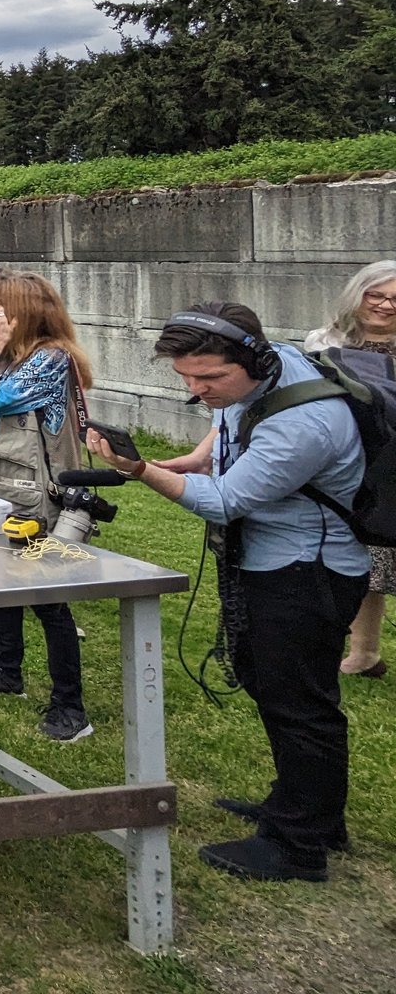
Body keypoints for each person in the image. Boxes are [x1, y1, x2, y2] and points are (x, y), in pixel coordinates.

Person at [88, 302, 368, 882]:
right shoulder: (272, 373)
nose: (197, 391)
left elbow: (223, 500)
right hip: (278, 564)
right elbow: (218, 449)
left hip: (306, 572)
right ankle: (308, 810)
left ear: (254, 358)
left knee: (300, 704)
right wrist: (170, 462)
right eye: (186, 378)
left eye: (210, 378)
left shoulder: (305, 422)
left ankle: (299, 846)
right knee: (274, 685)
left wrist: (142, 472)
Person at [0, 271, 94, 744]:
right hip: (4, 482)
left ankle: (70, 706)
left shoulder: (51, 360)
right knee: (0, 579)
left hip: (36, 493)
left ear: (21, 314)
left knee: (46, 596)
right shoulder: (22, 357)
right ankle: (6, 670)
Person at [306, 260, 396, 678]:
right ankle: (364, 653)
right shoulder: (324, 341)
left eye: (395, 298)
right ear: (356, 294)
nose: (385, 305)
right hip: (348, 465)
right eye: (375, 295)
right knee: (363, 560)